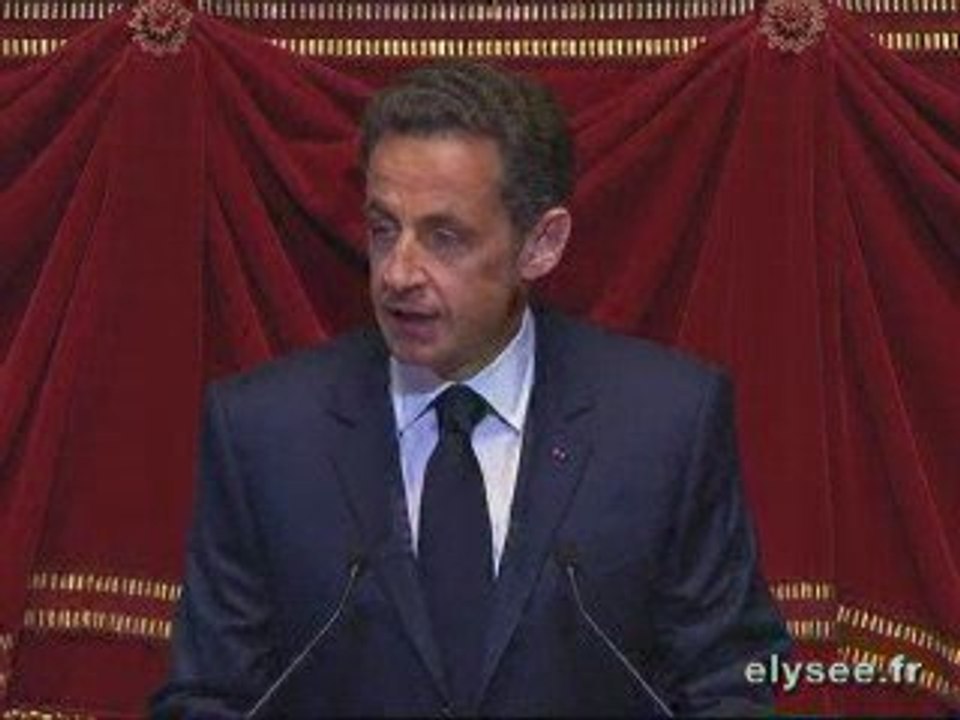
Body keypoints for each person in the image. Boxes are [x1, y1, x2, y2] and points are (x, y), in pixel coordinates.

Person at [151, 61, 790, 718]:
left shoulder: (665, 423)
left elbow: (729, 683)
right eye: (382, 228)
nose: (398, 273)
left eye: (444, 237)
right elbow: (207, 697)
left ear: (541, 245)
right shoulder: (264, 431)